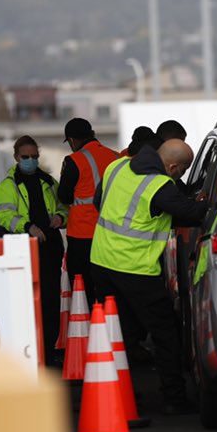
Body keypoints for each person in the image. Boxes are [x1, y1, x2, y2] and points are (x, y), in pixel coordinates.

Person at [90, 139, 208, 415]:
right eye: (181, 172)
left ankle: (116, 395)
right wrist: (216, 202)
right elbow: (192, 214)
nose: (178, 177)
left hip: (101, 261)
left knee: (118, 333)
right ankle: (174, 399)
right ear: (173, 166)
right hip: (135, 268)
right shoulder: (159, 186)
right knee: (165, 333)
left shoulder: (116, 167)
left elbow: (99, 201)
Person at [0, 136, 67, 365]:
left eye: (34, 157)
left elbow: (64, 206)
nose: (30, 161)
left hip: (51, 248)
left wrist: (60, 217)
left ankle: (48, 350)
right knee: (27, 303)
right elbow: (4, 216)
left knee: (51, 301)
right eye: (25, 157)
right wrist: (28, 227)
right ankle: (30, 351)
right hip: (24, 250)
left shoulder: (48, 181)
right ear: (16, 157)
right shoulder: (8, 186)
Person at [57, 117, 119, 305]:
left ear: (72, 140)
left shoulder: (74, 160)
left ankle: (89, 326)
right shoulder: (117, 157)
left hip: (83, 235)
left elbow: (65, 197)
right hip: (113, 233)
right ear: (92, 134)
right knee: (110, 288)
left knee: (83, 289)